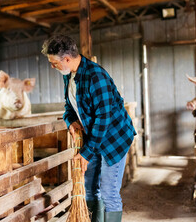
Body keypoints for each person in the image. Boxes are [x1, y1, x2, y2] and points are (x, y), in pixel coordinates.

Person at [42, 34, 136, 222]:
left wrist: (86, 153)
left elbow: (104, 117)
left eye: (54, 63)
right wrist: (70, 121)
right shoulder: (69, 75)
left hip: (113, 140)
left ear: (67, 59)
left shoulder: (95, 76)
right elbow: (69, 106)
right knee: (90, 189)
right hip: (93, 138)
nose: (52, 66)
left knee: (109, 193)